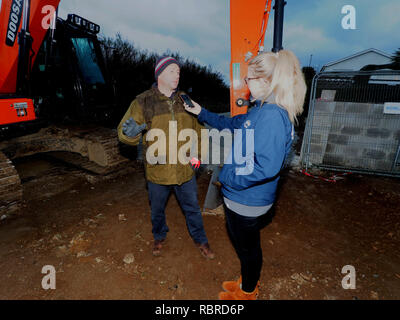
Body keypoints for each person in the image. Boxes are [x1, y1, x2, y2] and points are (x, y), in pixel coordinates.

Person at [184, 50, 306, 299]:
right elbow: (231, 124)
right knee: (244, 244)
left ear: (265, 80)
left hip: (247, 199)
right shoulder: (261, 109)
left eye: (249, 79)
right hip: (242, 197)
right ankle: (247, 282)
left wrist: (229, 179)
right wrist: (201, 112)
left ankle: (248, 291)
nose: (245, 84)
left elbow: (267, 167)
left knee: (248, 248)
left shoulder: (271, 115)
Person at [117, 56, 214, 259]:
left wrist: (198, 156)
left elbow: (200, 131)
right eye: (172, 71)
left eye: (178, 72)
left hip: (184, 170)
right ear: (159, 74)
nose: (177, 75)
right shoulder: (142, 101)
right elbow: (123, 132)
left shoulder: (185, 100)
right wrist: (132, 133)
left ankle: (201, 239)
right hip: (158, 171)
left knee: (193, 209)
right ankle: (159, 236)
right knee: (157, 210)